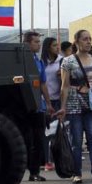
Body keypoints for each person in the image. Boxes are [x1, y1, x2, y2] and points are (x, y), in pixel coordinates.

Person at [58, 29, 92, 184]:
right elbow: (64, 86)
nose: (88, 42)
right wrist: (63, 107)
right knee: (76, 140)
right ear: (77, 41)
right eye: (84, 39)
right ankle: (77, 173)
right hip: (74, 104)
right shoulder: (68, 61)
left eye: (90, 38)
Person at [24, 31, 53, 181]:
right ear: (27, 44)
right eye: (35, 42)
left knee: (38, 140)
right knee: (27, 140)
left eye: (39, 41)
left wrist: (48, 103)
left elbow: (43, 84)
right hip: (25, 107)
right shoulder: (22, 61)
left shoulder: (39, 62)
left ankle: (34, 172)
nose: (39, 44)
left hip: (38, 106)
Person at [41, 37, 63, 171]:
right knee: (46, 132)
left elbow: (66, 81)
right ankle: (47, 160)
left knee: (57, 131)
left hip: (58, 100)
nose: (57, 47)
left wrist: (63, 75)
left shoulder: (61, 61)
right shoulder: (41, 62)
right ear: (48, 47)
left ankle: (57, 159)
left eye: (58, 45)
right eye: (54, 45)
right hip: (44, 100)